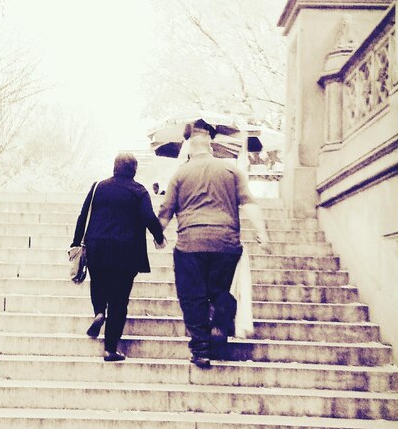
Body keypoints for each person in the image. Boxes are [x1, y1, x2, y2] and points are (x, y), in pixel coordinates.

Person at [158, 118, 273, 369]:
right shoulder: (232, 172)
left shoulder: (180, 174)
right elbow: (250, 204)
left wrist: (158, 236)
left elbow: (166, 212)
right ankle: (221, 321)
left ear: (190, 148)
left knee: (192, 297)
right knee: (220, 290)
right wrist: (263, 234)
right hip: (226, 244)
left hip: (190, 245)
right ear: (210, 146)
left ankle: (201, 349)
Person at [71, 152, 166, 362]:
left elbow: (83, 215)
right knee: (119, 300)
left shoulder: (98, 187)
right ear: (134, 170)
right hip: (127, 251)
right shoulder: (139, 191)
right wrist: (159, 237)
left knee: (98, 282)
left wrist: (76, 243)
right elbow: (149, 217)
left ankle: (98, 312)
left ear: (114, 167)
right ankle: (110, 349)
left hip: (97, 245)